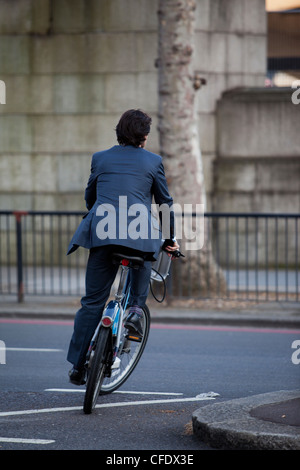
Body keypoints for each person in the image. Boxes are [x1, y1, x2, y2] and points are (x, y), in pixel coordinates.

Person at [66, 109, 179, 385]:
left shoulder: (100, 158)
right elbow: (164, 204)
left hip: (103, 235)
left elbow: (90, 196)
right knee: (138, 295)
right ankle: (135, 313)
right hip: (140, 238)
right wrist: (169, 239)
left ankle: (78, 367)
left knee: (92, 303)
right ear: (144, 136)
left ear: (119, 132)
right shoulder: (153, 162)